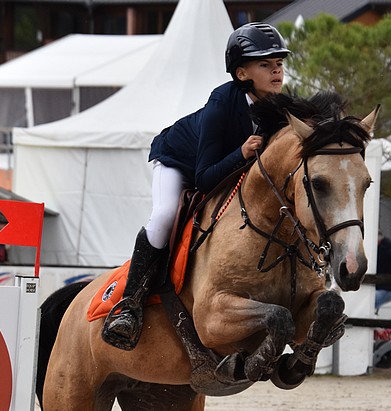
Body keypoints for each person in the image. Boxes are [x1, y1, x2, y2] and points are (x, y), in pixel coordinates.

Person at [102, 22, 291, 350]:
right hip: (180, 163)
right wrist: (241, 153)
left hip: (226, 168)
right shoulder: (222, 100)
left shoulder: (280, 107)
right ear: (242, 73)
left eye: (279, 64)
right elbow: (203, 179)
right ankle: (129, 306)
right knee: (162, 216)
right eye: (265, 64)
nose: (276, 71)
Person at [374, 231, 391, 312]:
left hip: (387, 289)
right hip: (389, 288)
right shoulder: (387, 250)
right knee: (370, 303)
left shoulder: (383, 252)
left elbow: (378, 269)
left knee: (369, 302)